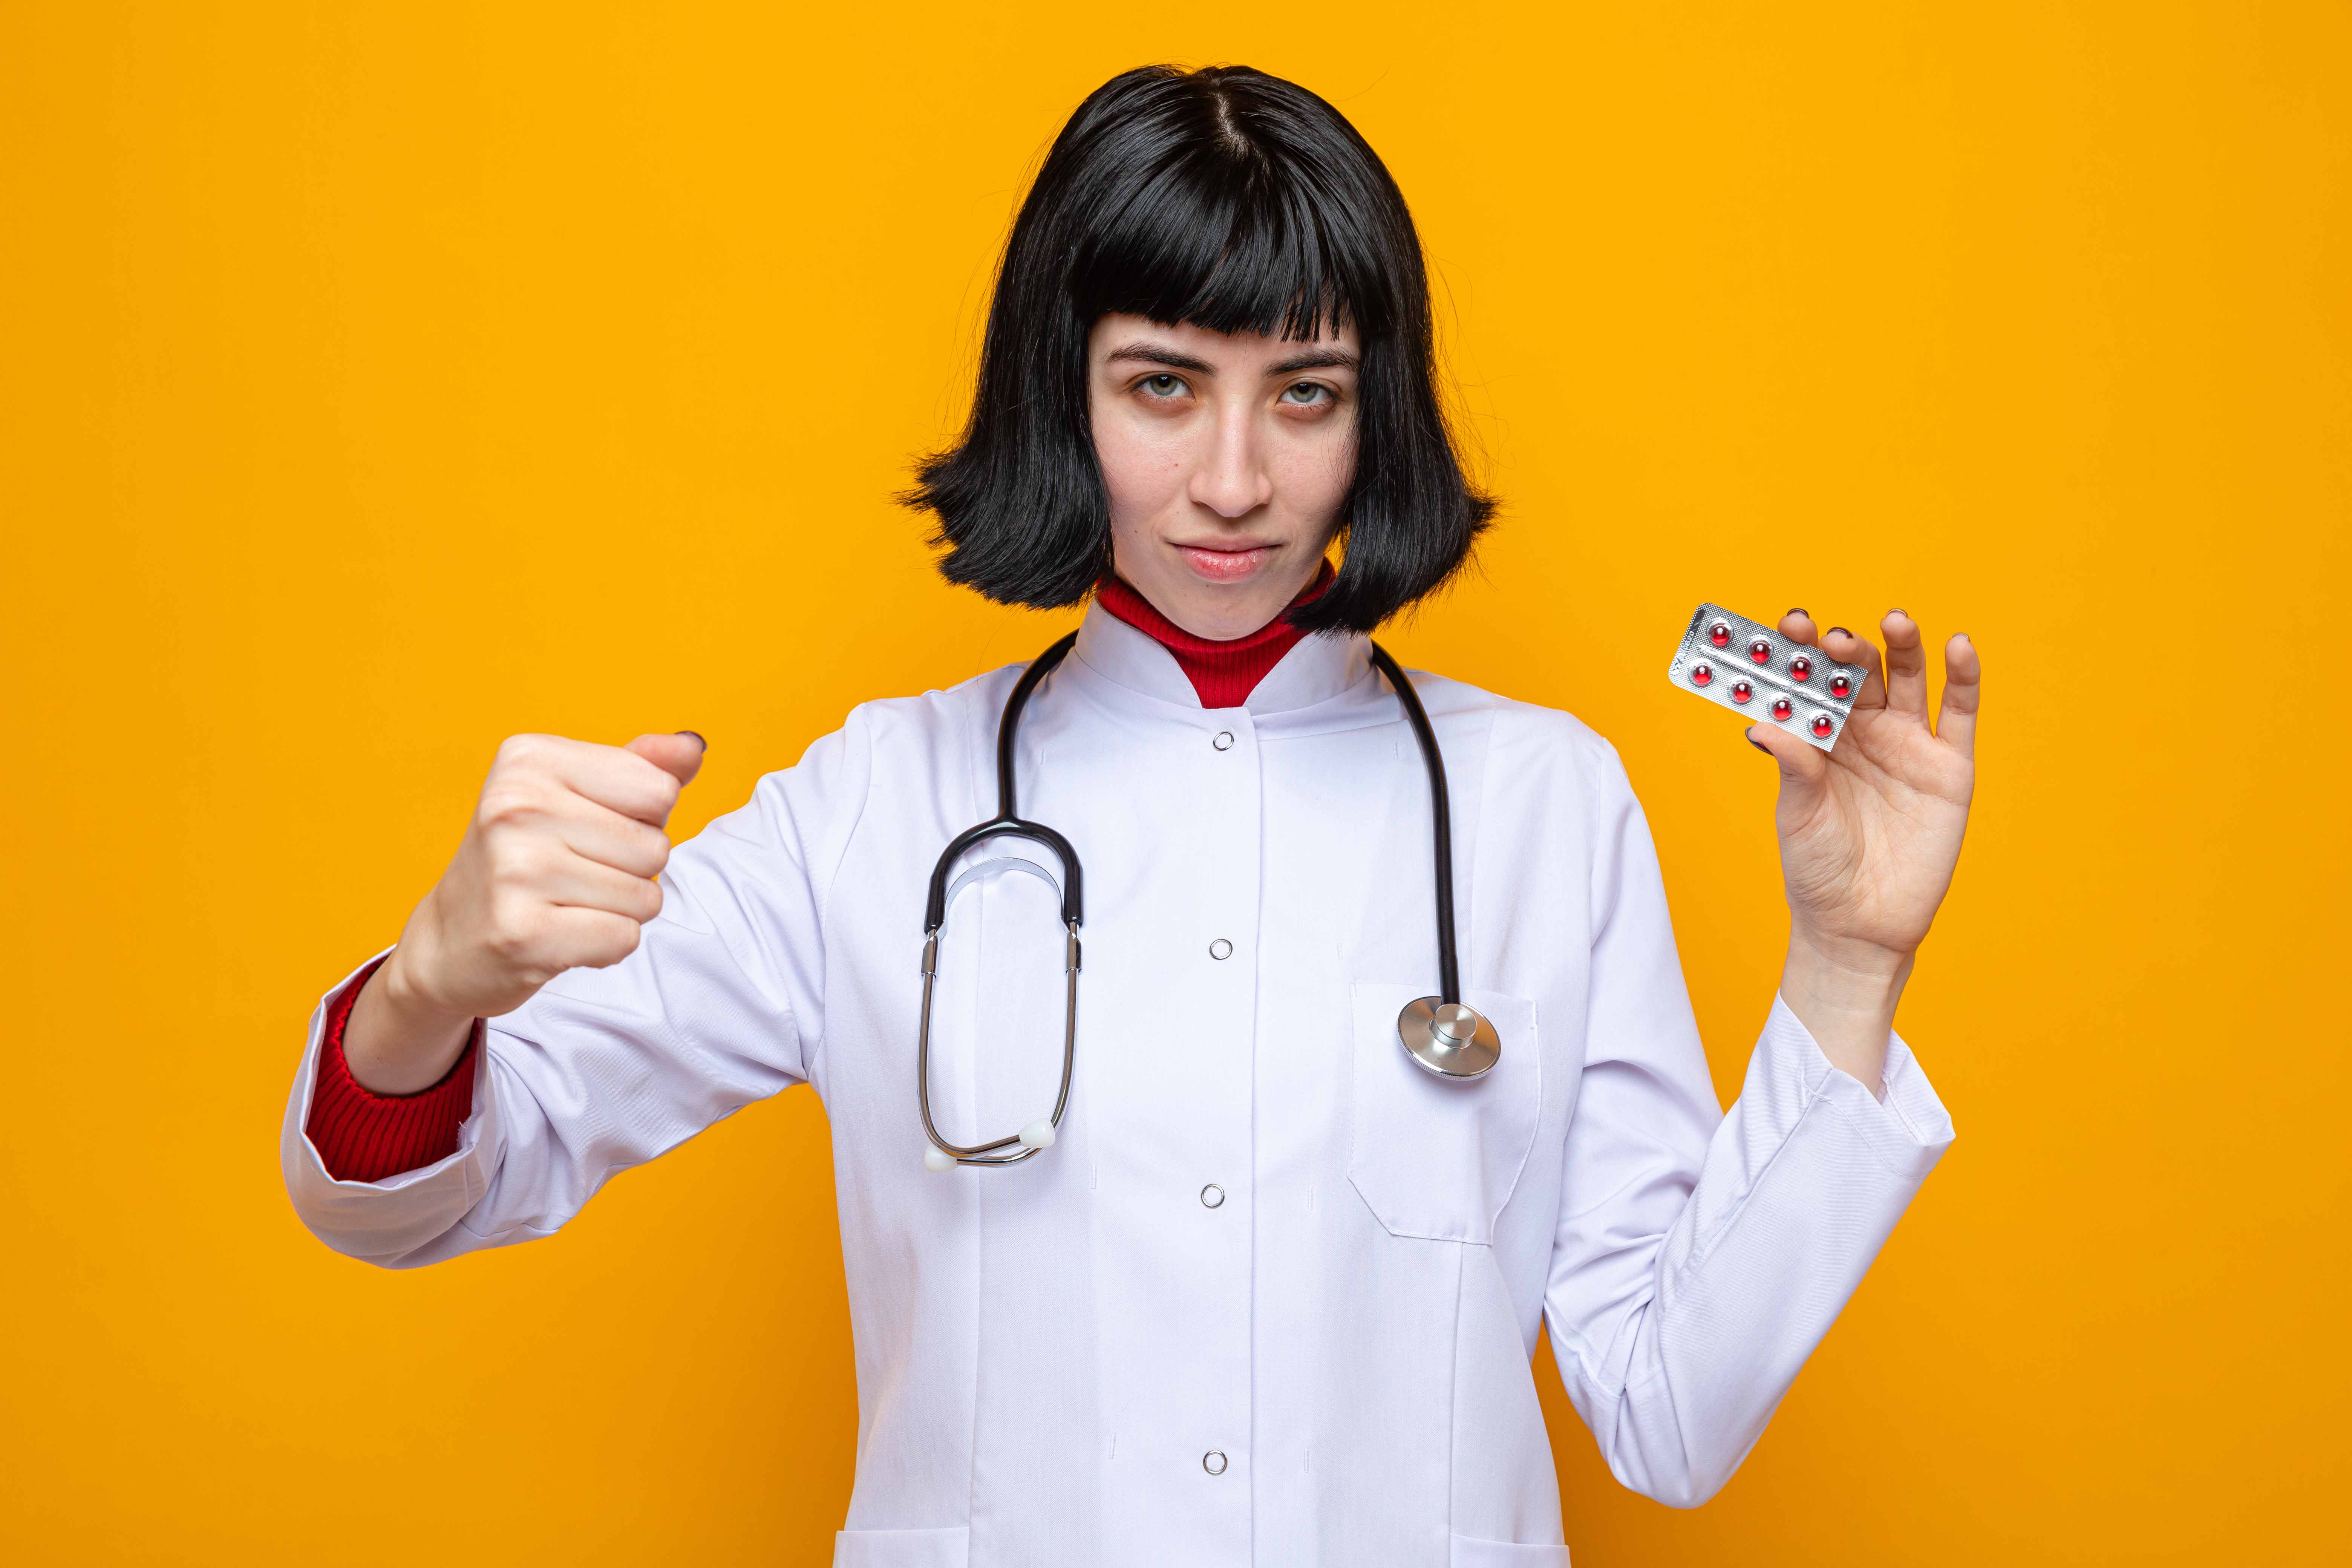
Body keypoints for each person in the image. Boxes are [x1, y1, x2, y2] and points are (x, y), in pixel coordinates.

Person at [282, 63, 1978, 1567]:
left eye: (1305, 392)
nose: (1237, 479)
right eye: (1163, 385)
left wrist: (1843, 966)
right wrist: (431, 982)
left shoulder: (1542, 804)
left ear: (1372, 411)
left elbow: (1668, 1415)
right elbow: (420, 1190)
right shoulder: (881, 804)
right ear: (1063, 392)